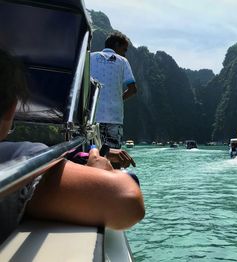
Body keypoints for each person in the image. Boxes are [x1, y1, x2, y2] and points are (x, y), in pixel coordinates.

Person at [0, 49, 145, 244]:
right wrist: (97, 168)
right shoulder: (17, 159)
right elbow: (127, 201)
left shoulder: (92, 57)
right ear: (12, 109)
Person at [90, 32, 138, 150]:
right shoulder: (122, 61)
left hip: (92, 118)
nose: (124, 53)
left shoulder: (90, 58)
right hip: (113, 118)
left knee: (91, 155)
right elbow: (133, 89)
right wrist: (118, 99)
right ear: (116, 45)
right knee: (114, 155)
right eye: (124, 49)